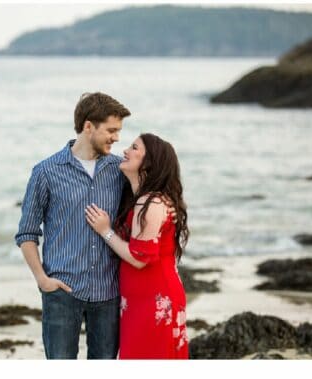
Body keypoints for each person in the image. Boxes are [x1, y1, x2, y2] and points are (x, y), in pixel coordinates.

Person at [16, 92, 131, 359]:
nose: (116, 138)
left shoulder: (119, 170)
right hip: (62, 293)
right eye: (111, 130)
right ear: (88, 126)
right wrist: (42, 279)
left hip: (108, 291)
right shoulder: (46, 172)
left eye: (118, 131)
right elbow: (27, 233)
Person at [85, 133, 190, 359]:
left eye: (134, 148)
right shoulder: (143, 199)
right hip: (140, 301)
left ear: (148, 163)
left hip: (154, 300)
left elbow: (139, 258)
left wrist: (105, 231)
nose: (125, 151)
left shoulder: (150, 201)